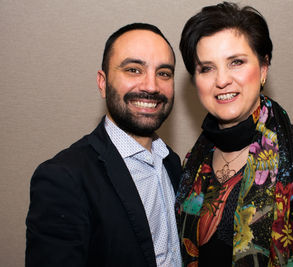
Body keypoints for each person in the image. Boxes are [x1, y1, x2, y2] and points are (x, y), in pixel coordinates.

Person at [175, 2, 293, 266]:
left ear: (264, 68)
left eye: (236, 62)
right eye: (206, 68)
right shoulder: (193, 161)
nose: (222, 80)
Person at [26, 23, 182, 267]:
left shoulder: (173, 163)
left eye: (164, 73)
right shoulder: (63, 178)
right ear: (102, 82)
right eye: (133, 69)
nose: (151, 86)